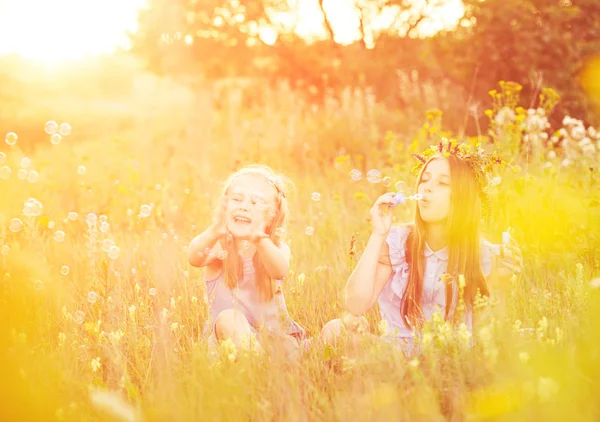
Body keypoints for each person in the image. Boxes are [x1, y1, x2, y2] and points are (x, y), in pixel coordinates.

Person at [321, 139, 523, 353]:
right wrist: (378, 235)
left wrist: (501, 285)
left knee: (521, 342)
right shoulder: (397, 243)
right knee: (336, 330)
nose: (427, 187)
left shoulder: (484, 254)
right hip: (396, 356)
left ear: (462, 198)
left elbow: (490, 335)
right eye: (425, 180)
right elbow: (355, 305)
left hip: (452, 358)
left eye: (443, 183)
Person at [187, 164, 305, 355]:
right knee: (228, 318)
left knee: (325, 333)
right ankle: (259, 366)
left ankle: (278, 366)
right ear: (225, 206)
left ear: (273, 215)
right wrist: (215, 230)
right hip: (228, 341)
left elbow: (279, 270)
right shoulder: (220, 247)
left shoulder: (276, 249)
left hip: (273, 338)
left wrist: (259, 239)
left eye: (255, 202)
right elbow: (194, 257)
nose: (244, 206)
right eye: (237, 199)